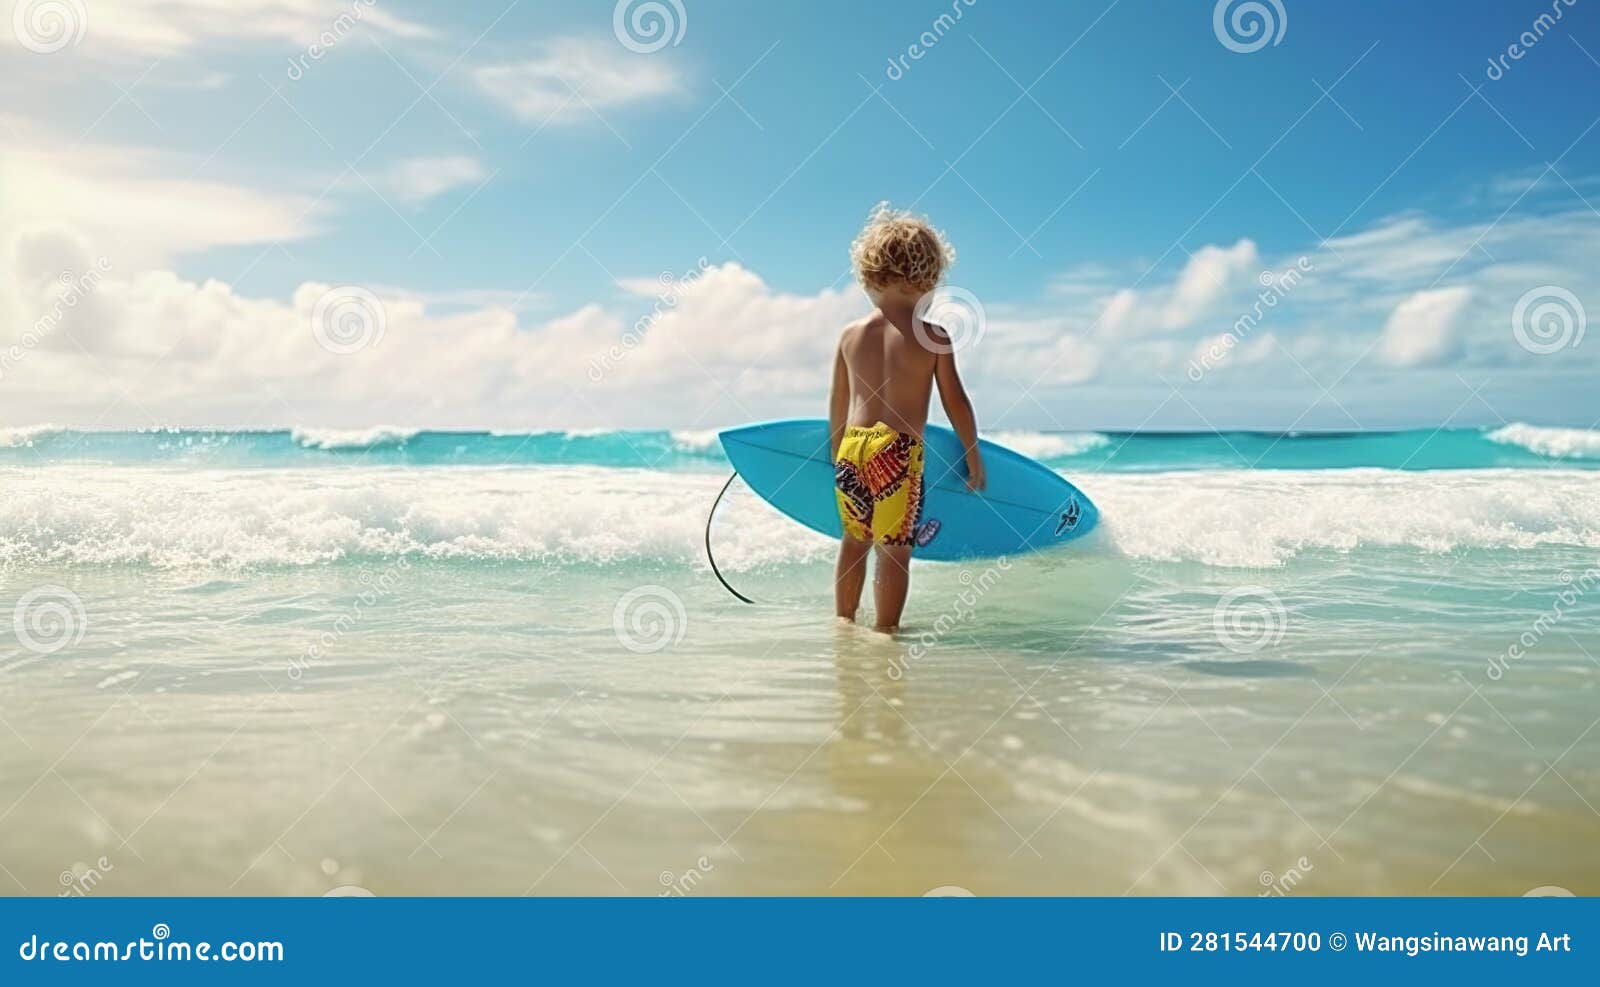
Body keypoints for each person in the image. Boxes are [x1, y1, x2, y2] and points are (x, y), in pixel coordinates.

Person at [829, 203, 985, 632]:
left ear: (869, 272)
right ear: (928, 275)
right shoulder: (933, 335)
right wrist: (973, 456)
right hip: (896, 451)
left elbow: (838, 404)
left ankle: (843, 624)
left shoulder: (850, 335)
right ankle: (886, 632)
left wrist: (834, 453)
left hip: (853, 449)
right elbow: (956, 401)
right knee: (895, 550)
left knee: (854, 541)